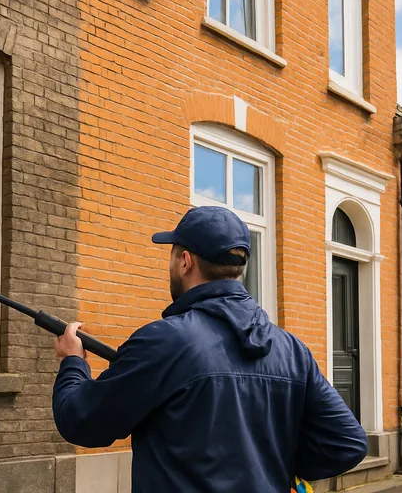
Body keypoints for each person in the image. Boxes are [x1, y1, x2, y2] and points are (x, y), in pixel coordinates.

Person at [51, 206, 368, 492]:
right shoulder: (292, 350)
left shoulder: (162, 341)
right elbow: (347, 442)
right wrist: (270, 468)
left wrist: (73, 362)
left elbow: (81, 421)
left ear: (185, 262)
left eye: (173, 255)